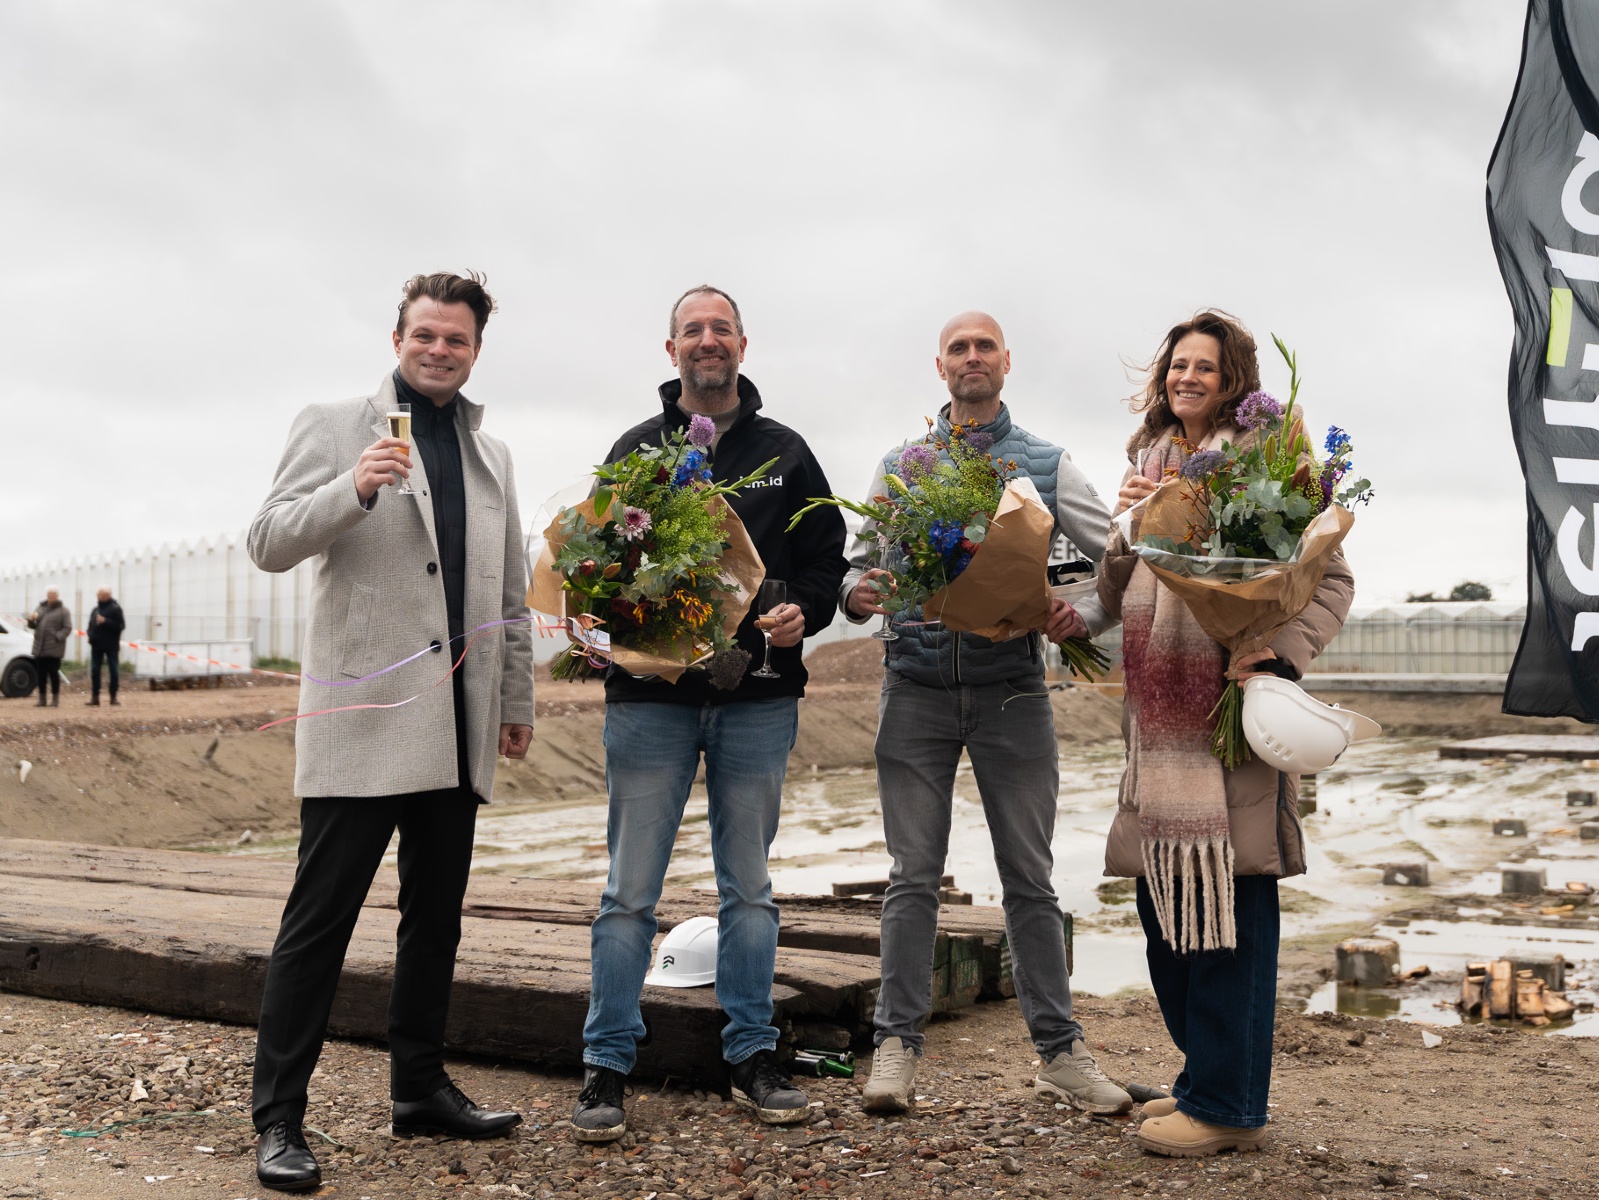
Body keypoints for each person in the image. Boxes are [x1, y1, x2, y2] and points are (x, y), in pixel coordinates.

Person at [245, 272, 535, 1193]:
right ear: (397, 338)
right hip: (361, 723)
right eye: (425, 335)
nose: (439, 350)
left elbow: (510, 594)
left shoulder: (492, 455)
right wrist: (353, 488)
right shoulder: (336, 425)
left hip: (458, 723)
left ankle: (419, 1090)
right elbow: (268, 541)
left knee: (435, 922)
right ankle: (278, 1119)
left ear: (476, 350)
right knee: (317, 925)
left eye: (457, 339)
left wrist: (516, 701)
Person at [572, 286, 849, 1142]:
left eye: (720, 328)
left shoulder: (785, 452)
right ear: (671, 350)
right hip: (650, 703)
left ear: (741, 345)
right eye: (691, 330)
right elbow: (594, 564)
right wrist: (596, 622)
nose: (707, 340)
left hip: (757, 699)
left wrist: (805, 611)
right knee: (628, 893)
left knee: (750, 889)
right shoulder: (636, 451)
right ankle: (606, 1062)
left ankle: (751, 1056)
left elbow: (826, 564)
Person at [841, 311, 1131, 1116]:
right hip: (915, 689)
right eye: (958, 348)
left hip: (1013, 693)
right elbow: (857, 566)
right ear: (940, 366)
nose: (972, 358)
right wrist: (856, 593)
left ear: (1007, 362)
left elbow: (1116, 557)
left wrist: (1085, 616)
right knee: (912, 878)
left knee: (1030, 879)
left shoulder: (1045, 462)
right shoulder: (901, 465)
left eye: (984, 347)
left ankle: (1061, 1055)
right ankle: (896, 1048)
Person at [1098, 309, 1352, 1158]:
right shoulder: (1146, 464)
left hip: (1231, 719)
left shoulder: (1270, 465)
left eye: (1205, 366)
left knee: (1232, 911)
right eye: (1179, 364)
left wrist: (1279, 653)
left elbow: (1330, 578)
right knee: (1164, 912)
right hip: (1157, 728)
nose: (1188, 377)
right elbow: (1114, 594)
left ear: (1233, 379)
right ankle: (1204, 1079)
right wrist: (1124, 528)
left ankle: (1229, 1107)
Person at [27, 589, 72, 707]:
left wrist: (57, 637)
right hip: (39, 647)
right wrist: (31, 620)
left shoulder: (63, 611)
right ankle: (42, 700)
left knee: (53, 674)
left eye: (53, 594)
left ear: (57, 596)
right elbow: (33, 625)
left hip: (54, 648)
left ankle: (55, 700)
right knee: (41, 674)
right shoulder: (40, 608)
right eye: (49, 594)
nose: (50, 596)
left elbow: (67, 628)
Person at [85, 588, 125, 706]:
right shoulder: (95, 610)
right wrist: (90, 635)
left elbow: (120, 626)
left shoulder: (115, 609)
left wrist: (105, 621)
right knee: (95, 670)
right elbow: (90, 625)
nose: (99, 596)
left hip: (111, 645)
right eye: (98, 594)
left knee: (113, 670)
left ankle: (113, 697)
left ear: (108, 595)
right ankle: (95, 697)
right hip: (96, 645)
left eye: (102, 594)